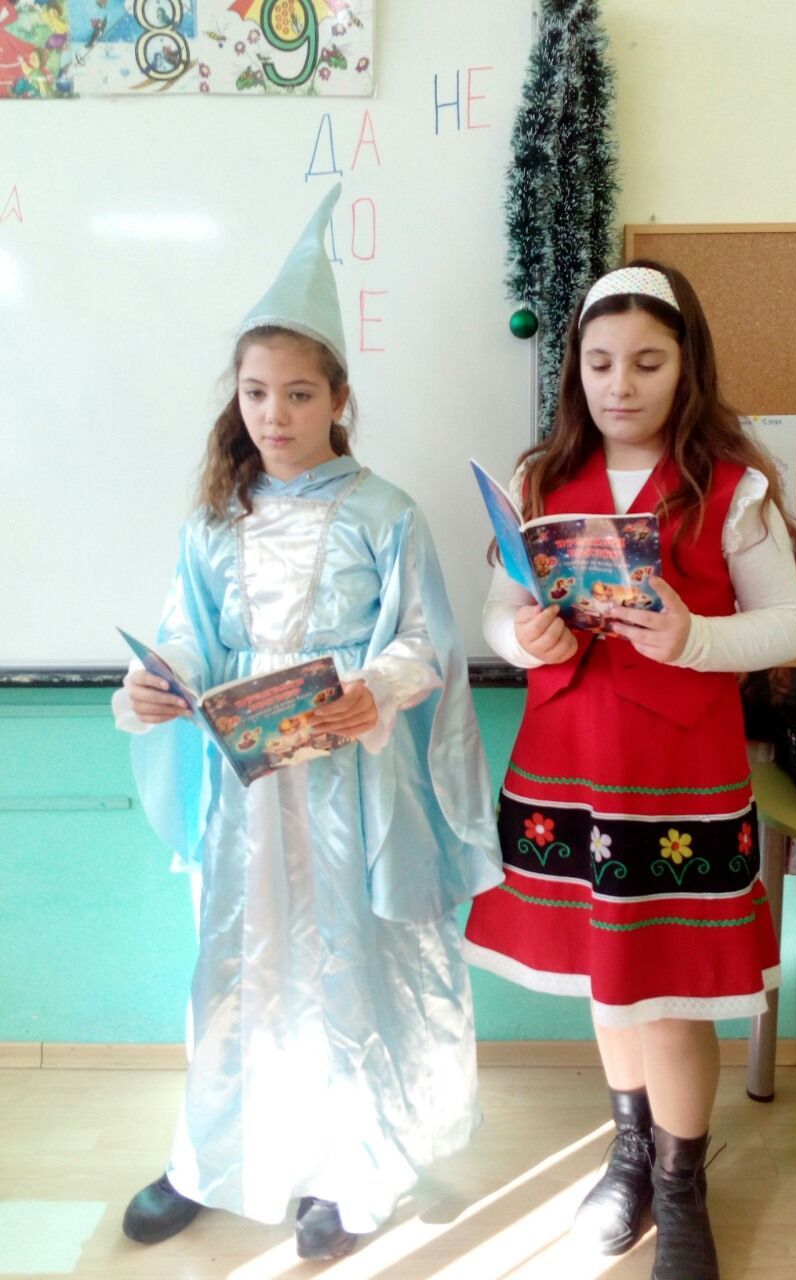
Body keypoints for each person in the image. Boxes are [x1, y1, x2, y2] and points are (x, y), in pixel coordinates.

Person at [112, 184, 502, 1260]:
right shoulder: (212, 520)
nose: (273, 415)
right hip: (245, 794)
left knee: (344, 964)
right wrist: (156, 682)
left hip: (348, 786)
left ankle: (346, 1168)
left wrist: (376, 686)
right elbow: (187, 635)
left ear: (338, 398)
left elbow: (424, 640)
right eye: (254, 392)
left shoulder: (385, 512)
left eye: (296, 393)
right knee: (237, 967)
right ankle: (212, 1157)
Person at [464, 262, 796, 1280]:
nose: (621, 384)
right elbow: (497, 607)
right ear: (575, 368)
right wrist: (522, 638)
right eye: (601, 361)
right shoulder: (540, 477)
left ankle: (680, 1179)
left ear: (688, 365)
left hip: (678, 775)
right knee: (606, 975)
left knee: (668, 990)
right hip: (567, 765)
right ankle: (629, 1152)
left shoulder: (733, 487)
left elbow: (791, 624)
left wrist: (695, 637)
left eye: (649, 363)